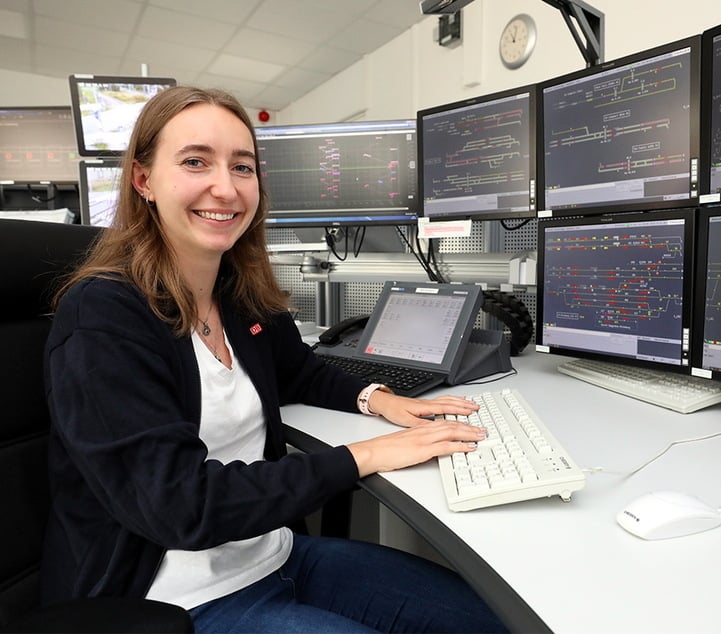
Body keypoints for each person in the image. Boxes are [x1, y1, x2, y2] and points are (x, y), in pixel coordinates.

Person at [43, 85, 506, 633]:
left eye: (243, 167)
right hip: (173, 599)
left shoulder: (238, 295)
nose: (226, 187)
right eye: (195, 161)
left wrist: (379, 399)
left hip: (273, 555)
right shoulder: (103, 317)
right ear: (143, 180)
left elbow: (299, 370)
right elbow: (178, 506)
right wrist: (364, 456)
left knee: (486, 621)